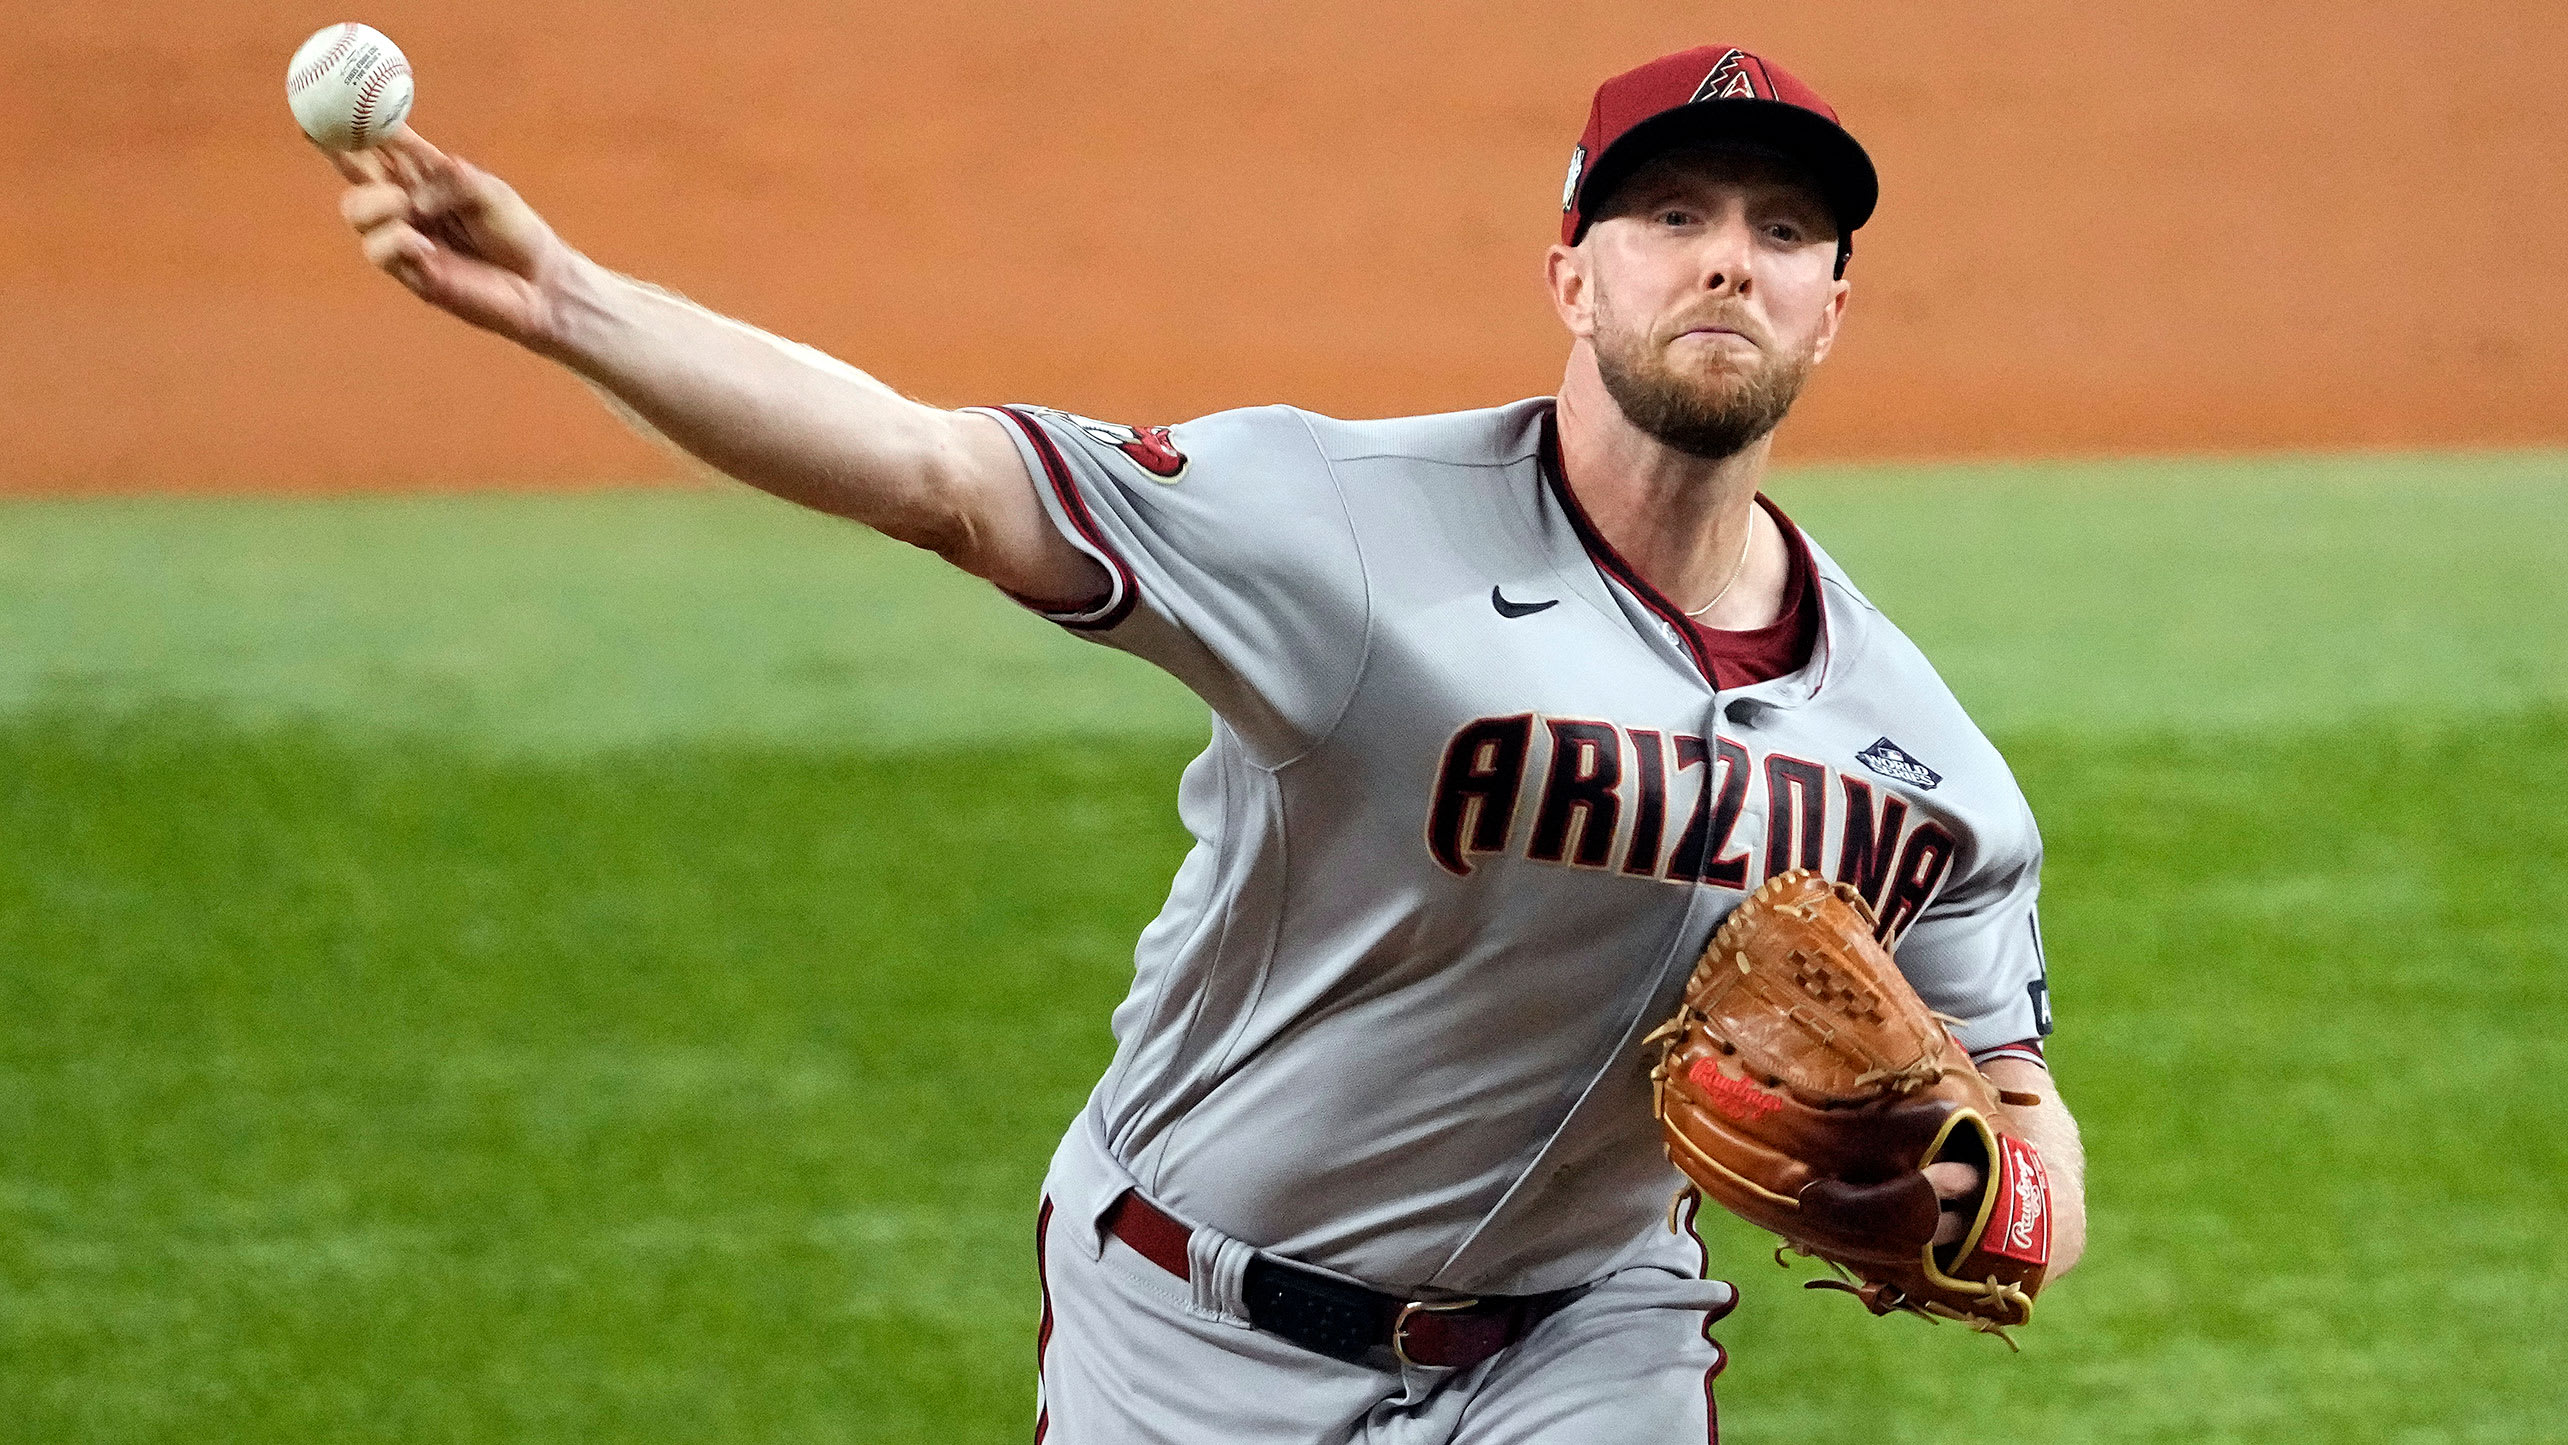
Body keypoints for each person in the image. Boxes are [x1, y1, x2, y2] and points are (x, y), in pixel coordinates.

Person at [326, 42, 2087, 1443]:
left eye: (1785, 233)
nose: (1728, 259)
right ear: (1572, 273)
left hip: (1587, 1342)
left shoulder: (1917, 763)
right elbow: (939, 474)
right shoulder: (1333, 523)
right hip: (1192, 1317)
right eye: (1674, 215)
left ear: (1833, 307)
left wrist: (1979, 1193)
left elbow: (2023, 1119)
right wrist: (568, 300)